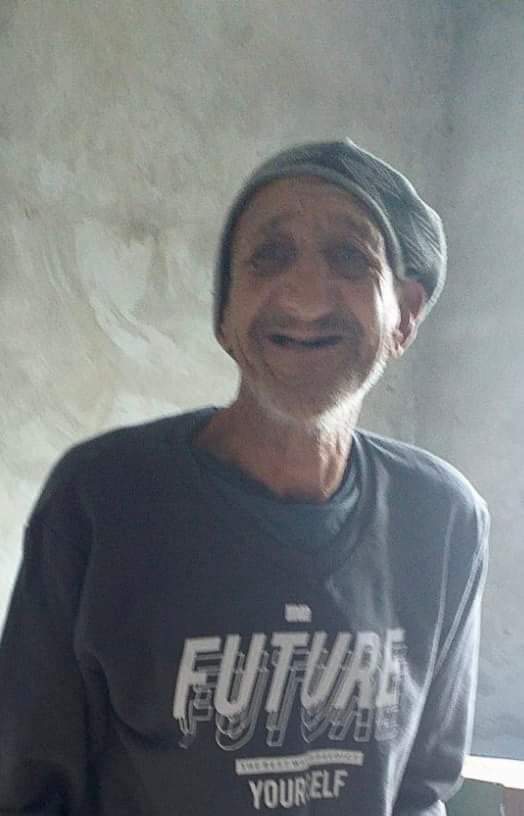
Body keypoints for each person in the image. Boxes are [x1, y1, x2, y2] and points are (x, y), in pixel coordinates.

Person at [0, 139, 489, 816]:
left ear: (404, 315)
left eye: (350, 257)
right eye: (270, 255)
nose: (306, 297)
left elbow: (420, 790)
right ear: (226, 315)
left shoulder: (441, 519)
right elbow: (29, 788)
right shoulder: (102, 503)